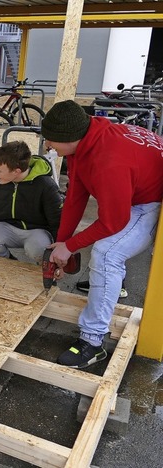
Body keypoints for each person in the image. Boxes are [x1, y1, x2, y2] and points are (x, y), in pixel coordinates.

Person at [42, 100, 163, 369]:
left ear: (70, 138)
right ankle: (112, 284)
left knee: (107, 253)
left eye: (50, 140)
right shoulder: (86, 140)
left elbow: (114, 221)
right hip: (135, 189)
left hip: (151, 201)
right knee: (107, 251)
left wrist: (72, 244)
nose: (48, 146)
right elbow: (75, 196)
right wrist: (62, 244)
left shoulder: (109, 161)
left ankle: (93, 342)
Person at [0, 141, 62, 262]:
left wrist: (59, 251)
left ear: (16, 171)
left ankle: (42, 268)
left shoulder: (46, 185)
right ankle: (8, 262)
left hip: (36, 231)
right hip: (5, 227)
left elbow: (57, 220)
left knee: (38, 249)